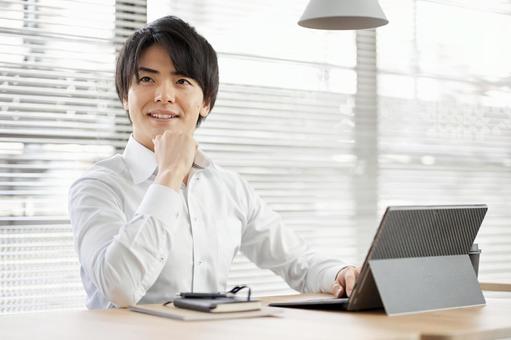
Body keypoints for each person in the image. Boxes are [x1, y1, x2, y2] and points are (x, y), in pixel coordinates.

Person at [68, 15, 360, 309]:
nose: (163, 95)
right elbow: (119, 288)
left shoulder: (228, 187)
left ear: (205, 102)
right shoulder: (97, 186)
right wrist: (168, 175)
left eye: (182, 81)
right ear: (124, 96)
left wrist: (340, 273)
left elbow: (297, 261)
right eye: (146, 79)